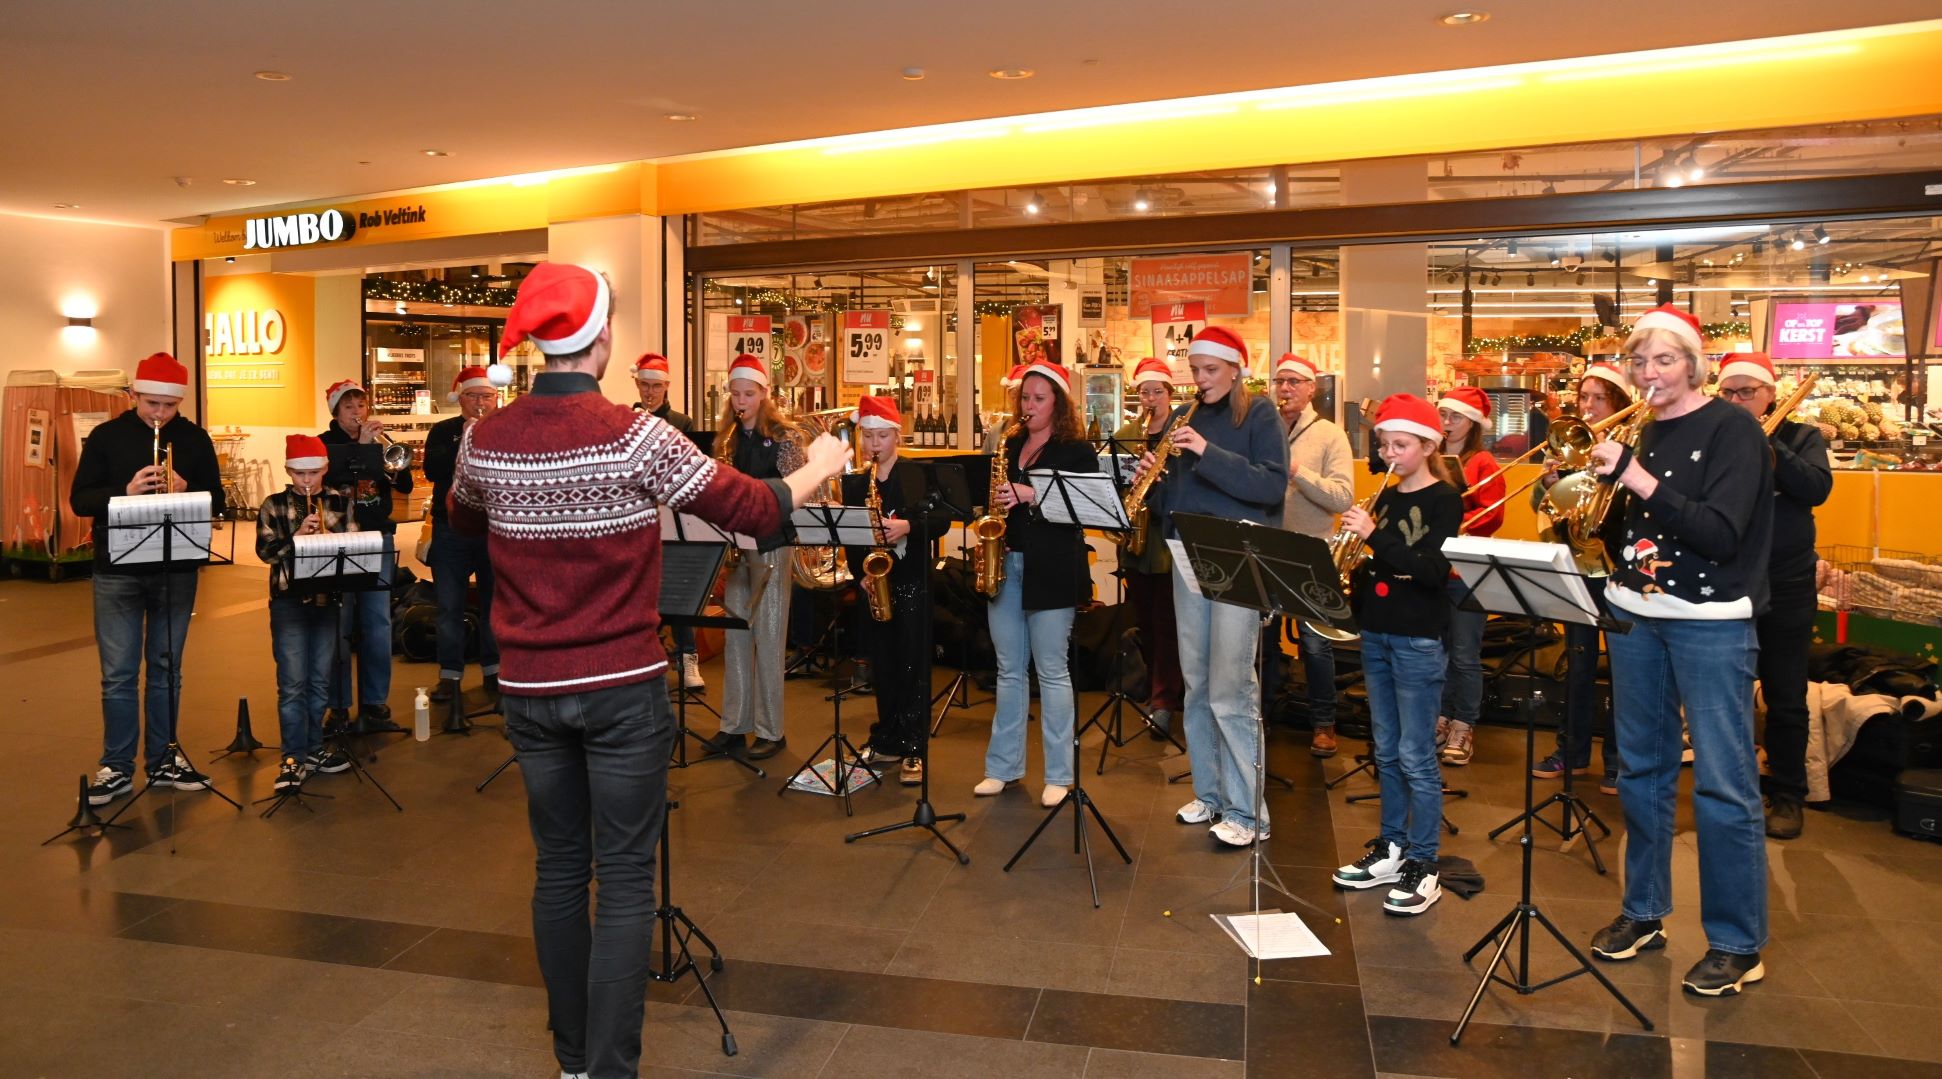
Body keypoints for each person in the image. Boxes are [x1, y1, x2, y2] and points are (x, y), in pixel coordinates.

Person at [448, 262, 848, 1079]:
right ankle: (609, 1068)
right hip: (622, 687)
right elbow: (755, 509)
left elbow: (462, 511)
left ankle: (571, 1062)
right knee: (626, 880)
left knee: (559, 868)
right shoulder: (636, 434)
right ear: (599, 341)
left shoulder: (484, 437)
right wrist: (821, 462)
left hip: (528, 688)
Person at [1585, 304, 1774, 997]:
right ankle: (1644, 910)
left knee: (1724, 782)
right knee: (1641, 771)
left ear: (1693, 365)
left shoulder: (1735, 430)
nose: (1648, 372)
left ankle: (1736, 941)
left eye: (1663, 359)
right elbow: (1642, 531)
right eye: (1639, 361)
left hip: (1711, 621)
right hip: (1637, 613)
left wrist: (1634, 477)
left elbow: (1721, 533)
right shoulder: (1643, 427)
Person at [1147, 326, 1288, 847]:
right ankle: (1210, 794)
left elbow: (1271, 484)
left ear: (1235, 369)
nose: (1200, 379)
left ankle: (1249, 812)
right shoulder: (1186, 416)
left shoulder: (1259, 414)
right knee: (1199, 683)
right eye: (1195, 370)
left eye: (1210, 370)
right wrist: (1155, 483)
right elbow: (1177, 501)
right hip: (1189, 555)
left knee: (1233, 688)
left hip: (1236, 558)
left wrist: (1206, 451)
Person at [69, 352, 226, 804]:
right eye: (151, 403)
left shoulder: (194, 439)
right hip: (117, 569)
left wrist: (186, 489)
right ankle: (116, 767)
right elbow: (80, 499)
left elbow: (217, 498)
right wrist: (127, 492)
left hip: (174, 568)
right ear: (134, 394)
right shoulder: (106, 436)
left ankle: (163, 760)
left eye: (168, 406)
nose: (159, 414)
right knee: (117, 674)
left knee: (166, 668)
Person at [1330, 394, 1463, 915]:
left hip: (1418, 637)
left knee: (1416, 755)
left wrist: (1374, 536)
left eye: (1401, 445)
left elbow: (1431, 571)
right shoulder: (1383, 496)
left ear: (1428, 446)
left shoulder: (1444, 501)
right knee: (1384, 748)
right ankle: (1390, 846)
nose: (1390, 454)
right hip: (1379, 632)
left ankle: (1425, 863)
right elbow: (1380, 565)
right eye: (1385, 444)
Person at [1715, 352, 1831, 840]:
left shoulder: (1801, 436)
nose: (1738, 400)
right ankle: (1735, 789)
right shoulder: (1715, 438)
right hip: (1730, 580)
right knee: (1728, 694)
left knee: (1785, 694)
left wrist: (1768, 447)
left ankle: (1787, 794)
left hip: (1786, 581)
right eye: (1729, 392)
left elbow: (1816, 489)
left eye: (1748, 392)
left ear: (1770, 395)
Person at [976, 361, 1096, 807]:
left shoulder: (1076, 451)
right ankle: (1002, 768)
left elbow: (1084, 508)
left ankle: (1059, 775)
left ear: (1058, 403)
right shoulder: (1010, 445)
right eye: (1025, 398)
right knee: (1009, 671)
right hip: (1008, 562)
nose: (1028, 407)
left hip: (1054, 568)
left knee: (1051, 671)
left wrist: (1030, 494)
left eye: (1039, 399)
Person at [1531, 362, 1633, 794]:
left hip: (1620, 566)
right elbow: (1546, 506)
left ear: (1618, 403)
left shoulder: (1635, 444)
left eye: (1598, 399)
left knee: (1626, 670)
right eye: (1583, 398)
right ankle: (1570, 751)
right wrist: (1552, 481)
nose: (1588, 407)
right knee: (1578, 662)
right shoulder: (1570, 443)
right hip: (1580, 564)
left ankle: (1618, 759)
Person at [703, 353, 805, 762]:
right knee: (736, 639)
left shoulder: (784, 437)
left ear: (765, 394)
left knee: (768, 638)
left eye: (749, 393)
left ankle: (771, 729)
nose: (741, 400)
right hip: (737, 548)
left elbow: (796, 489)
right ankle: (734, 726)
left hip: (772, 546)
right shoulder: (727, 438)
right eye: (736, 393)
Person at [844, 395, 950, 785]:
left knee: (913, 666)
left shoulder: (916, 474)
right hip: (876, 585)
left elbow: (941, 521)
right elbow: (852, 536)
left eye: (882, 436)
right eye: (868, 436)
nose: (874, 444)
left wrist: (908, 526)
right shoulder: (857, 482)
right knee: (884, 665)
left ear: (896, 436)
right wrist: (861, 574)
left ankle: (913, 748)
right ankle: (886, 738)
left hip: (911, 583)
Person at [256, 435, 354, 791]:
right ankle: (292, 757)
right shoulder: (273, 504)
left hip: (328, 600)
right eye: (300, 474)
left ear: (325, 469)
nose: (307, 480)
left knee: (319, 681)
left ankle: (314, 750)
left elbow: (353, 546)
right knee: (292, 684)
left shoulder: (340, 504)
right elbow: (266, 553)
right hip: (288, 602)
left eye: (314, 472)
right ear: (288, 472)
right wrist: (298, 537)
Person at [1271, 353, 1354, 757]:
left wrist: (1297, 472)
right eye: (1279, 381)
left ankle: (1324, 723)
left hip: (1310, 551)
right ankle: (1263, 714)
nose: (1284, 389)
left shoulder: (1331, 435)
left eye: (1293, 382)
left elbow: (1342, 497)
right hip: (1264, 549)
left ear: (1311, 388)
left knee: (1316, 644)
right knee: (1261, 640)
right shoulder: (1263, 428)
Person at [319, 378, 413, 732]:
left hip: (378, 536)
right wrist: (361, 447)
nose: (357, 413)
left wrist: (388, 458)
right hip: (338, 539)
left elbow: (403, 486)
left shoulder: (379, 443)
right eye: (348, 407)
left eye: (361, 406)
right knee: (339, 625)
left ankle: (375, 702)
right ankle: (339, 706)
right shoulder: (324, 444)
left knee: (377, 624)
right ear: (335, 412)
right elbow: (332, 483)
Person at [1111, 357, 1186, 740]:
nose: (1151, 398)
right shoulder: (1127, 432)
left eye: (1158, 391)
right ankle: (1162, 692)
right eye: (1144, 391)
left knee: (1169, 623)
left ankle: (1164, 701)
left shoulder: (1182, 430)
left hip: (1168, 541)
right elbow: (1116, 484)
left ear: (1170, 394)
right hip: (1136, 540)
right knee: (1147, 621)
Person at [419, 367, 501, 705]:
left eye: (487, 396)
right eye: (473, 396)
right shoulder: (442, 430)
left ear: (496, 399)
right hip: (450, 529)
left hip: (493, 528)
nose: (480, 402)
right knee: (449, 607)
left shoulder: (505, 430)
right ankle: (450, 676)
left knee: (494, 605)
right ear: (460, 399)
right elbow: (432, 470)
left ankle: (494, 672)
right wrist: (466, 442)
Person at [1436, 386, 1504, 767]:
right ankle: (1443, 718)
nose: (1447, 423)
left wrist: (1456, 509)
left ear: (1473, 423)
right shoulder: (1437, 458)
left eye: (1455, 417)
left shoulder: (1483, 463)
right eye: (1443, 415)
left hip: (1470, 570)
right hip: (1439, 566)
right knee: (1441, 650)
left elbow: (1494, 516)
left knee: (1464, 654)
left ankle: (1465, 725)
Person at [631, 352, 704, 691]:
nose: (649, 393)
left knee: (680, 591)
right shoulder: (626, 418)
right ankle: (644, 660)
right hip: (638, 520)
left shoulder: (681, 422)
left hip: (673, 516)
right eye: (644, 385)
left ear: (667, 386)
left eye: (656, 386)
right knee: (641, 592)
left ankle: (688, 658)